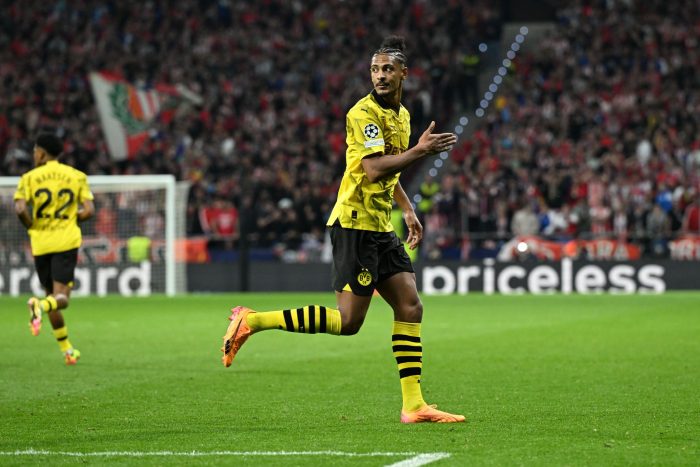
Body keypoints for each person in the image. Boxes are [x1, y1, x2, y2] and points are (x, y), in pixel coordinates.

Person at [220, 36, 465, 423]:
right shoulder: (362, 113)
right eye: (375, 69)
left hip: (379, 225)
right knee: (349, 322)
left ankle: (414, 405)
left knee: (410, 306)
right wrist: (419, 151)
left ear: (404, 73)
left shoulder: (402, 116)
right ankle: (253, 320)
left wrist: (407, 208)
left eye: (387, 69)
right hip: (354, 224)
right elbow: (373, 169)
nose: (380, 75)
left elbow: (391, 169)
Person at [14, 133, 95, 365]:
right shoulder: (76, 176)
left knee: (51, 296)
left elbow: (20, 209)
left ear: (41, 153)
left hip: (41, 243)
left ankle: (67, 350)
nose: (34, 155)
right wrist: (72, 218)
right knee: (62, 299)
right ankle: (39, 305)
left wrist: (32, 226)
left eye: (34, 151)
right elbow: (89, 210)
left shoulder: (29, 178)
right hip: (65, 241)